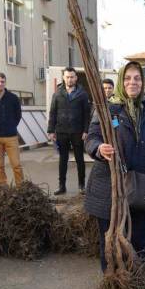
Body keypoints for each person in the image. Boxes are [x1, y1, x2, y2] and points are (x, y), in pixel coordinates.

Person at [85, 62, 145, 271]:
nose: (132, 82)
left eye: (137, 78)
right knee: (111, 240)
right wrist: (99, 148)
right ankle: (114, 286)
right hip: (110, 187)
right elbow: (91, 138)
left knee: (140, 240)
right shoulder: (107, 109)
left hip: (143, 186)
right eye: (127, 78)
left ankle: (138, 284)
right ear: (120, 81)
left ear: (143, 83)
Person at [47, 67, 91, 195]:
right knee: (63, 160)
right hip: (62, 131)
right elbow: (53, 113)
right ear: (63, 78)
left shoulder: (82, 94)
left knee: (79, 159)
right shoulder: (57, 94)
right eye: (67, 77)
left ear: (76, 78)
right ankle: (62, 186)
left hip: (77, 131)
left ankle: (82, 186)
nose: (70, 79)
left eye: (72, 77)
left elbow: (86, 114)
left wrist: (86, 130)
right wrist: (51, 130)